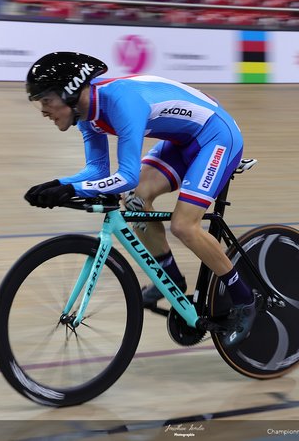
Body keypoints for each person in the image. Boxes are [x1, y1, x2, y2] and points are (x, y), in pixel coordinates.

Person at [23, 52, 256, 346]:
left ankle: (244, 299)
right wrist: (59, 184)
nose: (44, 111)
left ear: (69, 92)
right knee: (135, 199)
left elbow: (128, 175)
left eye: (46, 101)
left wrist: (73, 190)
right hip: (182, 141)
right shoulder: (87, 115)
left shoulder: (121, 103)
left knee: (184, 226)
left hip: (216, 137)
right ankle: (171, 280)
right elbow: (97, 171)